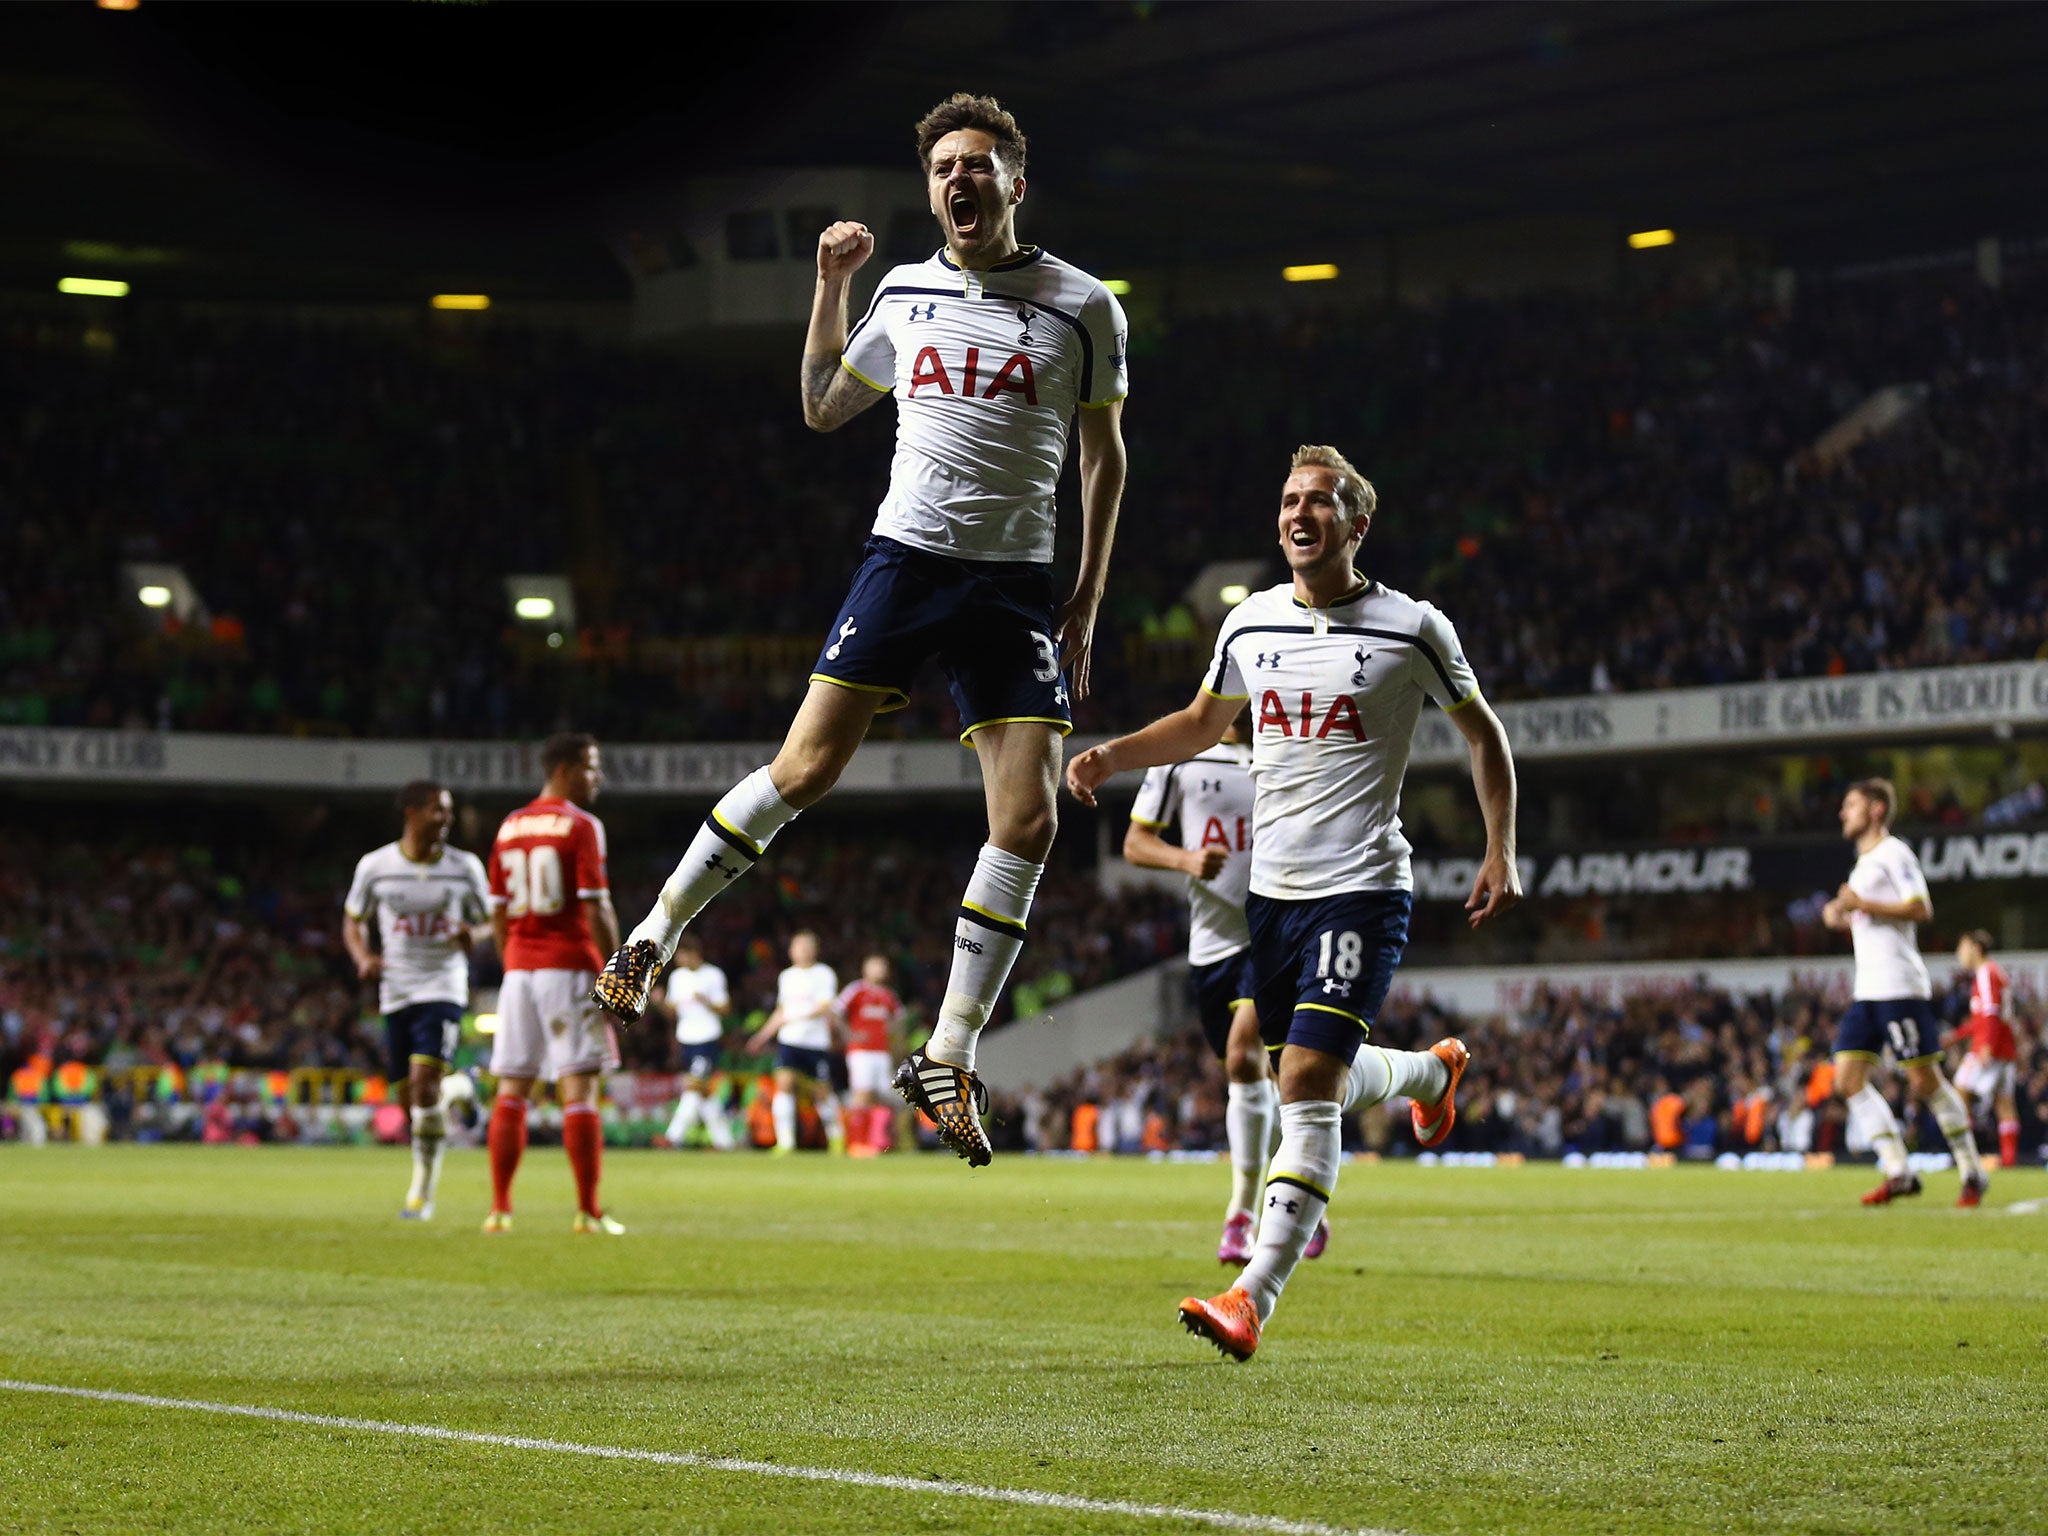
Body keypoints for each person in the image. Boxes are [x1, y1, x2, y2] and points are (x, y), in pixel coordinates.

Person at [591, 93, 1129, 1170]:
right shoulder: (904, 289)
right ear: (929, 188)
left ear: (1015, 183)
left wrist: (1083, 599)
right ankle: (654, 931)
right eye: (941, 169)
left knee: (1026, 824)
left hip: (1014, 585)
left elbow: (1103, 460)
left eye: (977, 165)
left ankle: (947, 1053)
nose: (958, 182)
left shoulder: (1081, 307)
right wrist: (830, 285)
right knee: (804, 769)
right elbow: (825, 405)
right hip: (904, 562)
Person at [1068, 444, 1522, 1361]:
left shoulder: (1413, 628)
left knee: (1308, 1084)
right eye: (1287, 501)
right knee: (1307, 1078)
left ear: (1358, 523)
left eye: (1319, 502)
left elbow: (1484, 736)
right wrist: (1115, 755)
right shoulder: (1251, 627)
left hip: (1360, 887)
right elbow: (1202, 723)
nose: (1298, 515)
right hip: (1267, 899)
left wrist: (1500, 847)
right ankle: (1431, 1075)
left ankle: (1253, 1295)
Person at [1124, 717, 1324, 1266]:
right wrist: (1185, 859)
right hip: (1210, 945)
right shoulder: (1181, 758)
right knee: (1258, 1071)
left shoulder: (1284, 755)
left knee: (1242, 1056)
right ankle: (1304, 1179)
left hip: (1273, 933)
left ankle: (1242, 1215)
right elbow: (1137, 842)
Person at [1821, 779, 1989, 1207]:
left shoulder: (1895, 852)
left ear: (1876, 810)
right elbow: (1867, 919)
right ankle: (1898, 1170)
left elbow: (1920, 907)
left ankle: (1972, 1170)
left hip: (1899, 986)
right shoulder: (1862, 865)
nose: (1843, 813)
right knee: (1847, 1079)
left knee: (1923, 1080)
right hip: (1868, 989)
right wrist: (1839, 915)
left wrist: (1863, 906)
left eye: (1851, 805)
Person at [484, 733, 625, 1234]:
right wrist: (618, 966)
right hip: (568, 967)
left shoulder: (508, 827)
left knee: (512, 1089)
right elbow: (594, 904)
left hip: (519, 971)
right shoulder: (581, 825)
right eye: (591, 766)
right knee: (580, 1089)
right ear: (564, 769)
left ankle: (500, 1209)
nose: (598, 777)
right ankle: (587, 1211)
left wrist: (512, 962)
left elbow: (498, 912)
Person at [342, 780, 490, 1222]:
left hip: (443, 987)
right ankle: (462, 1086)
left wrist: (473, 934)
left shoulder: (465, 867)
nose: (445, 819)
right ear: (410, 812)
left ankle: (421, 1196)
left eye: (447, 811)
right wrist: (363, 956)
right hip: (396, 991)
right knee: (411, 1104)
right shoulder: (376, 866)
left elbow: (493, 921)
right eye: (436, 810)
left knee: (423, 1088)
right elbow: (353, 921)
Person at [745, 932, 846, 1154]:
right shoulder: (787, 977)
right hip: (789, 1040)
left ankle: (837, 1139)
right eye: (797, 946)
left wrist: (797, 1016)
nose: (801, 951)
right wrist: (761, 1037)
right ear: (791, 950)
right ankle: (786, 1142)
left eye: (806, 946)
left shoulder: (823, 973)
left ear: (814, 950)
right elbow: (781, 1012)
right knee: (784, 1084)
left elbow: (825, 1006)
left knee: (822, 1092)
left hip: (815, 1042)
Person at [654, 935, 735, 1150]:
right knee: (704, 1093)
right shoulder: (678, 978)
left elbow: (725, 1009)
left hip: (707, 1038)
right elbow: (672, 1013)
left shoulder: (712, 975)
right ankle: (724, 1141)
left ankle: (673, 1137)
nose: (679, 960)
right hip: (686, 1039)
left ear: (694, 954)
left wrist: (706, 1001)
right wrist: (660, 1003)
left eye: (682, 955)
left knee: (693, 1087)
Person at [1947, 930, 2020, 1169]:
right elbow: (1983, 1017)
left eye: (1962, 947)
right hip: (2006, 1048)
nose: (1960, 953)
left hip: (1988, 1046)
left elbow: (1990, 1013)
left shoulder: (1986, 973)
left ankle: (1969, 1154)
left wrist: (1986, 1045)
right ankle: (2008, 1160)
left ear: (1975, 948)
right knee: (2004, 1103)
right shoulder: (1996, 972)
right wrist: (1956, 1037)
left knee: (1959, 1091)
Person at [835, 953, 906, 1155]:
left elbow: (899, 1019)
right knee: (862, 1094)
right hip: (861, 1051)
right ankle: (856, 1142)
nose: (880, 969)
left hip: (882, 1052)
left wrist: (896, 1041)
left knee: (881, 1095)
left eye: (883, 966)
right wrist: (849, 1034)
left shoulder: (888, 995)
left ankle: (879, 1142)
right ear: (865, 969)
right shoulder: (856, 990)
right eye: (876, 965)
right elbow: (836, 1011)